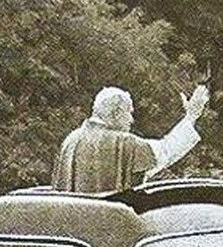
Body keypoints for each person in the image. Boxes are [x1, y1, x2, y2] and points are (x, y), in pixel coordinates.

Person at [52, 83, 210, 193]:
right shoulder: (124, 143)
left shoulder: (70, 140)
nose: (131, 120)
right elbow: (166, 150)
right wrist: (191, 116)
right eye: (129, 113)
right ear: (116, 112)